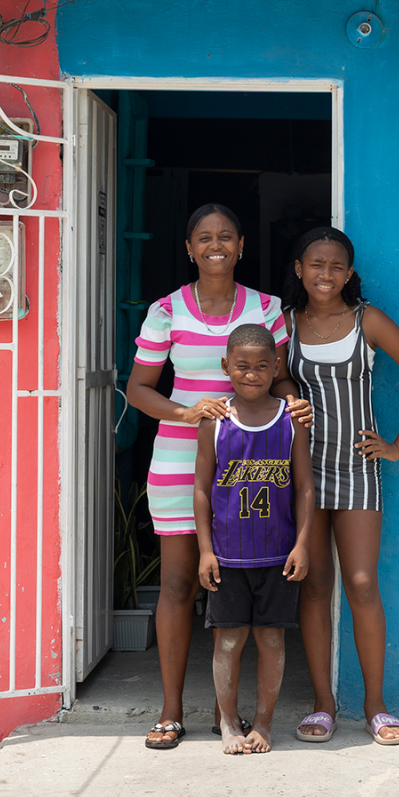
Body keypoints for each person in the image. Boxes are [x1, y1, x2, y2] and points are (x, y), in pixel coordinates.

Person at [126, 204, 312, 750]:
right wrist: (189, 412)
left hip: (255, 466)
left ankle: (225, 709)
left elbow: (278, 379)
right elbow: (139, 388)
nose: (215, 245)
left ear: (241, 244)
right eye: (204, 238)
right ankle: (170, 710)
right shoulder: (165, 311)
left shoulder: (267, 307)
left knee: (236, 583)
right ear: (189, 248)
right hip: (183, 460)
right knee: (181, 584)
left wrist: (294, 403)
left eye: (225, 236)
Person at [283, 227, 399, 746]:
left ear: (348, 274)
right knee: (313, 586)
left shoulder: (365, 320)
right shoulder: (284, 325)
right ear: (300, 269)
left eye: (336, 266)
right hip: (302, 472)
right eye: (316, 264)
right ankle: (323, 706)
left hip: (355, 470)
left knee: (363, 585)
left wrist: (396, 447)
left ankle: (375, 705)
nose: (325, 274)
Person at [194, 324, 313, 755]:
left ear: (276, 367)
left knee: (272, 640)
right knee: (227, 641)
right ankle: (228, 723)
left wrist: (302, 544)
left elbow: (304, 487)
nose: (251, 374)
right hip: (227, 557)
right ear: (226, 366)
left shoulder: (291, 421)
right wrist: (206, 551)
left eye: (262, 366)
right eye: (241, 366)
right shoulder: (216, 422)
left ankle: (263, 722)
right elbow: (203, 489)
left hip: (278, 556)